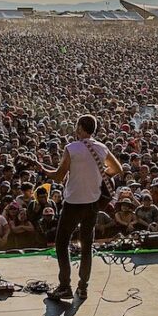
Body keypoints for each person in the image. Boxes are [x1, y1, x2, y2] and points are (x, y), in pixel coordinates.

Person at [33, 114, 123, 300]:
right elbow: (117, 169)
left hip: (73, 203)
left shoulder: (71, 148)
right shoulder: (101, 148)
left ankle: (65, 285)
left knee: (61, 242)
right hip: (92, 203)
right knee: (87, 244)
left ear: (81, 127)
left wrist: (42, 168)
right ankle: (83, 288)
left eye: (77, 126)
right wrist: (95, 175)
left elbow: (58, 176)